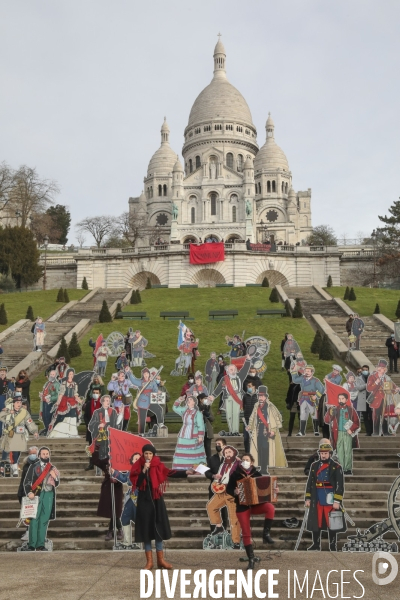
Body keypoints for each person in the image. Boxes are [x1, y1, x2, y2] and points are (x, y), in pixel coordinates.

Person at [130, 444, 194, 569]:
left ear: (154, 455)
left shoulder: (158, 465)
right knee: (146, 530)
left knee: (158, 528)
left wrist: (186, 472)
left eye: (150, 454)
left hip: (156, 500)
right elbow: (136, 483)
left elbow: (170, 472)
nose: (148, 456)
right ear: (143, 454)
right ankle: (149, 562)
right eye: (146, 453)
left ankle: (161, 560)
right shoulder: (138, 466)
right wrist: (143, 471)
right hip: (144, 500)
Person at [226, 453, 276, 568]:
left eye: (247, 460)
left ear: (252, 462)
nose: (244, 461)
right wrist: (235, 492)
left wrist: (274, 489)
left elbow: (265, 488)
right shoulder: (235, 474)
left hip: (255, 504)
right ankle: (251, 559)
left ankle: (266, 534)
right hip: (242, 506)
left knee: (270, 508)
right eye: (243, 460)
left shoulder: (256, 474)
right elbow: (228, 489)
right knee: (246, 532)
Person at [304, 441, 346, 551]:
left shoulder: (336, 467)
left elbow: (339, 485)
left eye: (325, 453)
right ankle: (316, 544)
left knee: (332, 523)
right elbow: (310, 482)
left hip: (330, 498)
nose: (323, 455)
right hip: (317, 497)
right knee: (316, 521)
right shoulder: (314, 465)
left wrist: (337, 501)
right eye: (321, 453)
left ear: (330, 454)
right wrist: (308, 498)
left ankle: (333, 545)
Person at [22, 446, 60, 551]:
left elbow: (56, 484)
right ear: (39, 455)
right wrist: (29, 492)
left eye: (47, 454)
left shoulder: (52, 468)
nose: (45, 456)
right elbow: (27, 482)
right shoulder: (34, 467)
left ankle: (40, 544)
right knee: (34, 519)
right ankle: (31, 544)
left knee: (44, 519)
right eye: (43, 454)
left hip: (48, 494)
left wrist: (55, 477)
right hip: (36, 495)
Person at [206, 445, 242, 549]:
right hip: (222, 491)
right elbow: (219, 477)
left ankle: (236, 541)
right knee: (211, 506)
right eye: (226, 453)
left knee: (234, 519)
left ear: (234, 453)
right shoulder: (223, 465)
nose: (228, 454)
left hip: (232, 494)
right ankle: (219, 526)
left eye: (229, 452)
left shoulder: (239, 464)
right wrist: (216, 482)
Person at [209, 353, 253, 435]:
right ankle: (231, 431)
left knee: (236, 414)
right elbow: (219, 388)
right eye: (231, 369)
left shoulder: (240, 376)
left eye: (234, 369)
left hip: (237, 397)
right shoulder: (224, 379)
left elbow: (245, 369)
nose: (233, 371)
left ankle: (235, 431)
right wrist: (213, 396)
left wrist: (248, 360)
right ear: (227, 371)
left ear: (236, 370)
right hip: (228, 398)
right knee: (229, 415)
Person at [247, 386, 287, 473]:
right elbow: (252, 418)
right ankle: (261, 467)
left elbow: (277, 418)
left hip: (267, 431)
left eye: (262, 396)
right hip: (258, 431)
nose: (260, 398)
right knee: (259, 449)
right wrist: (249, 426)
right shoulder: (256, 406)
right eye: (259, 396)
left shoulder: (270, 406)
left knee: (265, 449)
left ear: (266, 397)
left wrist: (273, 430)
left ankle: (264, 469)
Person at [0, 397, 39, 476]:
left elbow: (29, 422)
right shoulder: (8, 410)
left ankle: (14, 467)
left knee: (17, 451)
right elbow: (1, 416)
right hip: (10, 434)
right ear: (13, 403)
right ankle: (2, 467)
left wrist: (34, 431)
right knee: (6, 450)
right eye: (17, 402)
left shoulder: (24, 412)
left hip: (19, 434)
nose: (19, 404)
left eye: (20, 403)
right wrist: (8, 412)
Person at [110, 452, 141, 548]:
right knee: (124, 518)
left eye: (138, 459)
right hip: (130, 498)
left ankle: (140, 541)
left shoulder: (144, 471)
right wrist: (114, 472)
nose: (136, 460)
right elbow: (123, 478)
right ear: (132, 460)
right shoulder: (129, 472)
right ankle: (127, 541)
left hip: (139, 498)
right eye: (135, 459)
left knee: (138, 520)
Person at [92, 448, 124, 542]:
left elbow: (125, 475)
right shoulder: (106, 462)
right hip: (107, 487)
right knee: (111, 509)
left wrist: (117, 480)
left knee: (115, 510)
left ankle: (113, 530)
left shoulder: (121, 463)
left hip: (117, 488)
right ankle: (117, 530)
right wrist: (96, 450)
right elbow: (95, 461)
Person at [325, 391, 360, 475]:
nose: (340, 400)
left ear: (346, 399)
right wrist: (330, 413)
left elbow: (356, 422)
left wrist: (351, 429)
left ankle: (347, 469)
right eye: (339, 398)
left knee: (347, 451)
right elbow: (326, 420)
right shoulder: (334, 409)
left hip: (348, 433)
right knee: (339, 451)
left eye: (342, 398)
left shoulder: (351, 409)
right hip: (338, 433)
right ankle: (341, 468)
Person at [172, 395, 207, 468]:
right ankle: (181, 468)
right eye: (188, 399)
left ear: (194, 402)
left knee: (195, 452)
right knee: (182, 451)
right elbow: (175, 408)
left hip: (194, 435)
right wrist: (179, 400)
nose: (189, 400)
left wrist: (200, 436)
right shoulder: (184, 410)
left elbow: (201, 425)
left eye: (190, 399)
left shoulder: (198, 413)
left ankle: (197, 468)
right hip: (183, 434)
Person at [367, 359, 400, 436]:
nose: (381, 369)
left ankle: (385, 431)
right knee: (376, 416)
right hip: (377, 399)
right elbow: (369, 388)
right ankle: (376, 431)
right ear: (378, 368)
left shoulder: (387, 378)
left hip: (385, 399)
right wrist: (376, 382)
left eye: (383, 368)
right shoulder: (372, 376)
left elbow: (392, 386)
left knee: (385, 415)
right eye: (380, 368)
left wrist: (396, 389)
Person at [47, 368, 82, 438]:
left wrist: (80, 401)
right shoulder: (64, 383)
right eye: (70, 374)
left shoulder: (75, 384)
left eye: (72, 374)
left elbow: (75, 394)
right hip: (65, 402)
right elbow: (61, 394)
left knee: (73, 417)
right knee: (64, 418)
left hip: (72, 402)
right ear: (67, 375)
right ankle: (62, 433)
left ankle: (72, 433)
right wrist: (57, 402)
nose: (71, 375)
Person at [292, 365, 325, 437]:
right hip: (303, 398)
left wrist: (316, 396)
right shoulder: (302, 378)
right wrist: (294, 371)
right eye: (305, 371)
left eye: (308, 371)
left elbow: (322, 389)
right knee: (303, 415)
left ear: (312, 372)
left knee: (314, 415)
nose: (306, 373)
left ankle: (316, 430)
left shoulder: (315, 380)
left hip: (311, 399)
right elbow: (295, 380)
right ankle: (302, 431)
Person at [87, 394, 123, 459]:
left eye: (109, 401)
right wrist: (98, 425)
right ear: (102, 402)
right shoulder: (97, 412)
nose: (108, 402)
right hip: (99, 437)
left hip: (110, 438)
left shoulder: (113, 412)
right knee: (99, 456)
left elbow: (117, 425)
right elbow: (90, 426)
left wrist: (120, 415)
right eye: (106, 400)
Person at [127, 367, 161, 434]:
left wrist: (157, 392)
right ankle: (141, 433)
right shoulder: (141, 382)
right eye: (144, 374)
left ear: (149, 374)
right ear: (143, 375)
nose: (146, 375)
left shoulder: (152, 382)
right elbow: (133, 380)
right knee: (142, 418)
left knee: (159, 409)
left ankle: (160, 423)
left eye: (147, 373)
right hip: (143, 401)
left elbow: (155, 390)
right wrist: (129, 372)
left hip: (151, 401)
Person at [204, 437, 228, 529]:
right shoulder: (211, 459)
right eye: (216, 444)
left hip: (225, 488)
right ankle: (213, 531)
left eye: (219, 444)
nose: (217, 446)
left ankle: (224, 531)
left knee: (224, 511)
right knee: (213, 509)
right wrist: (213, 476)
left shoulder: (229, 458)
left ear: (224, 446)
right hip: (213, 487)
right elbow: (207, 472)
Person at [17, 446, 39, 541]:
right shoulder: (26, 465)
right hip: (26, 492)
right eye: (31, 454)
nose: (33, 455)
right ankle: (28, 532)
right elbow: (23, 480)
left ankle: (34, 533)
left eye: (35, 453)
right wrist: (20, 492)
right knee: (28, 514)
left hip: (37, 492)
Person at [83, 385, 103, 470]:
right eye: (94, 393)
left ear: (100, 394)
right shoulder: (88, 404)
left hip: (101, 430)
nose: (95, 394)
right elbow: (85, 416)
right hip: (91, 430)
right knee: (91, 447)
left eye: (97, 393)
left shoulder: (103, 403)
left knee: (100, 447)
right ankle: (91, 464)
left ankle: (101, 464)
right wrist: (88, 425)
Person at [39, 370, 60, 435]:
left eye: (53, 374)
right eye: (51, 374)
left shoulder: (57, 384)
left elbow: (58, 395)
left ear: (55, 375)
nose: (51, 376)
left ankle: (49, 430)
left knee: (48, 416)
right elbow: (44, 391)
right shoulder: (47, 383)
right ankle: (47, 429)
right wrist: (41, 394)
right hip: (44, 402)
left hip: (50, 403)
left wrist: (51, 399)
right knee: (44, 416)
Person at [355, 366, 372, 435]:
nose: (365, 371)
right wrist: (366, 385)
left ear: (368, 370)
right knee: (365, 416)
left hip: (371, 399)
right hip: (362, 399)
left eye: (366, 370)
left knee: (371, 416)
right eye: (364, 370)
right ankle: (368, 431)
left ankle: (373, 430)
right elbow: (358, 387)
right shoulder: (358, 378)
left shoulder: (372, 377)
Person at [242, 380, 258, 452]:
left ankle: (255, 452)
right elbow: (244, 406)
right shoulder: (245, 396)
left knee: (255, 438)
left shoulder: (258, 396)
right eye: (247, 386)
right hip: (247, 420)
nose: (248, 387)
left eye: (249, 386)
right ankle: (247, 452)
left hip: (256, 420)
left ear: (254, 386)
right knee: (246, 438)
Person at [197, 393, 214, 459]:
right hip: (198, 432)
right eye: (204, 398)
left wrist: (207, 414)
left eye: (206, 398)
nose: (206, 400)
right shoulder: (196, 408)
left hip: (207, 431)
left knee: (207, 448)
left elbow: (212, 419)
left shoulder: (208, 407)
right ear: (200, 399)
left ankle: (209, 463)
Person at [0, 367, 14, 437]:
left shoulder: (8, 382)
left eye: (4, 372)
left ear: (6, 373)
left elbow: (13, 390)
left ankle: (2, 432)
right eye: (1, 372)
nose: (2, 373)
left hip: (2, 399)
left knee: (2, 415)